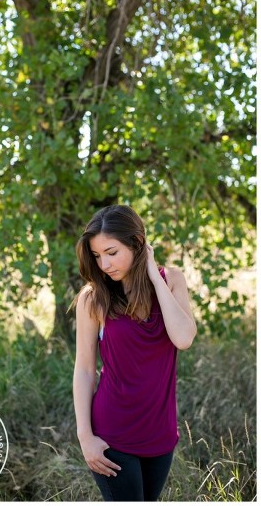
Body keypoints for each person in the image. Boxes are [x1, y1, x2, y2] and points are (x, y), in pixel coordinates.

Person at [71, 204, 196, 501]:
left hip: (161, 434)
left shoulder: (172, 280)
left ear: (137, 243)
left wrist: (154, 276)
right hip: (112, 435)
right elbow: (84, 369)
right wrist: (85, 437)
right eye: (97, 256)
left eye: (111, 253)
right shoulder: (93, 298)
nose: (104, 265)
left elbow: (183, 338)